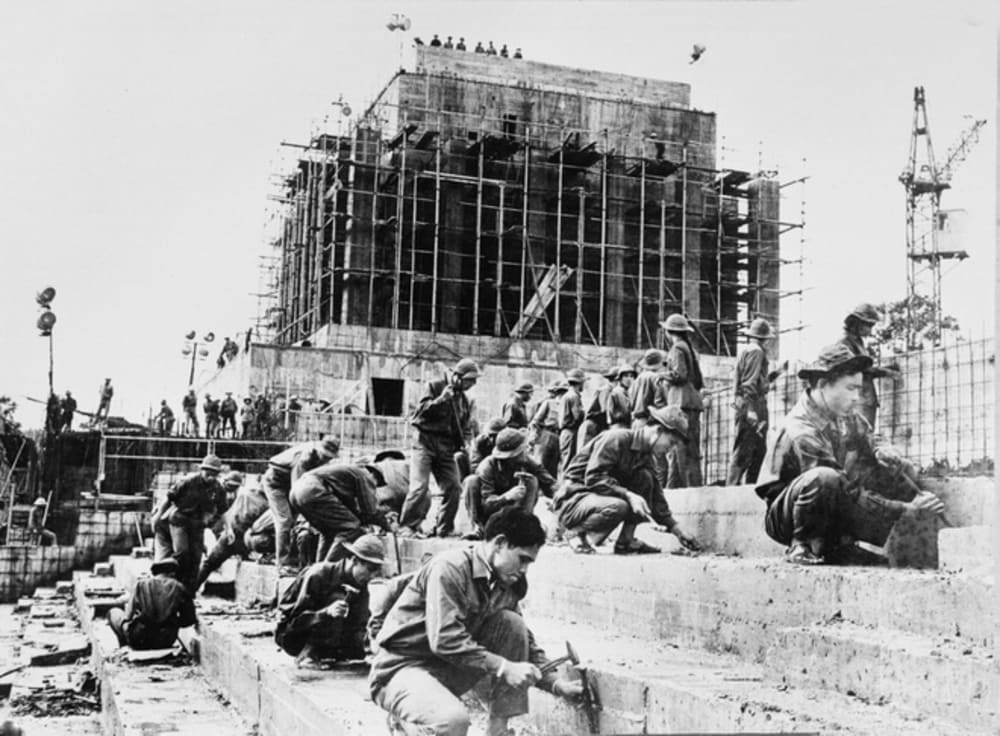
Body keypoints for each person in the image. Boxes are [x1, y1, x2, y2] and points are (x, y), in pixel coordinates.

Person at [369, 508, 583, 736]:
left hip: (445, 669)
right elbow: (444, 640)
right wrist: (503, 666)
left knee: (511, 624)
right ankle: (407, 722)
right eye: (522, 559)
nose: (524, 569)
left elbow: (523, 641)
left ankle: (497, 730)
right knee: (452, 723)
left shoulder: (505, 581)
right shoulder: (450, 569)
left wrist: (555, 684)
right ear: (500, 543)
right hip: (401, 668)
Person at [755, 343, 944, 566]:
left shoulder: (841, 413)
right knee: (825, 478)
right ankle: (803, 545)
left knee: (894, 468)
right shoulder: (801, 428)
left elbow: (870, 436)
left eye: (859, 389)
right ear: (824, 385)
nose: (857, 397)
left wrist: (883, 451)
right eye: (850, 388)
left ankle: (839, 547)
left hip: (829, 498)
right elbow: (845, 489)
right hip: (788, 516)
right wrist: (906, 510)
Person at [553, 405, 700, 555]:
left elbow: (657, 497)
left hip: (594, 500)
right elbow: (593, 477)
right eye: (671, 442)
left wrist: (677, 530)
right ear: (658, 431)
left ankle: (626, 541)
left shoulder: (645, 455)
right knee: (620, 506)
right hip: (574, 499)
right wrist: (628, 495)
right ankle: (576, 533)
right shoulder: (617, 438)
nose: (671, 448)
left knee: (645, 478)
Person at [276, 534, 386, 666]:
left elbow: (360, 624)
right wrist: (325, 612)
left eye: (377, 572)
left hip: (330, 635)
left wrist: (370, 648)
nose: (373, 576)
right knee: (338, 598)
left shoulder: (360, 584)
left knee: (359, 648)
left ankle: (329, 653)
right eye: (370, 569)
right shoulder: (319, 574)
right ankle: (308, 655)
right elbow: (294, 622)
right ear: (354, 560)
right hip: (293, 636)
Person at [400, 359, 479, 538]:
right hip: (424, 442)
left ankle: (444, 528)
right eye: (470, 380)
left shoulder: (464, 400)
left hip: (446, 446)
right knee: (419, 487)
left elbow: (464, 426)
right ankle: (408, 526)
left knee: (453, 487)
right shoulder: (435, 387)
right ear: (458, 378)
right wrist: (441, 399)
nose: (472, 384)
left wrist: (465, 443)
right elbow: (419, 413)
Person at [263, 436, 341, 575]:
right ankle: (282, 564)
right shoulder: (306, 457)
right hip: (275, 483)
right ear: (319, 450)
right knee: (284, 521)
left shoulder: (321, 461)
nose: (326, 459)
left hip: (288, 483)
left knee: (294, 522)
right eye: (325, 456)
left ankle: (292, 560)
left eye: (330, 457)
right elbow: (298, 490)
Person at [463, 429, 556, 539]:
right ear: (513, 455)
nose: (527, 451)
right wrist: (507, 496)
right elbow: (486, 505)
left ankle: (522, 526)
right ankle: (479, 529)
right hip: (489, 516)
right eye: (522, 449)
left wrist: (559, 499)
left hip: (512, 514)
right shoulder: (487, 467)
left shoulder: (525, 460)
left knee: (532, 480)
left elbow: (549, 482)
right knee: (471, 481)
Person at [290, 463, 389, 563]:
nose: (374, 488)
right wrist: (388, 526)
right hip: (314, 490)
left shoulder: (347, 475)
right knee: (351, 528)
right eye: (376, 484)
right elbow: (370, 511)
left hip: (297, 491)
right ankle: (328, 569)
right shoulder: (365, 475)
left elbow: (351, 512)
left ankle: (319, 569)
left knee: (328, 532)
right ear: (374, 475)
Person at [152, 454, 224, 590]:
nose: (211, 477)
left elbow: (222, 509)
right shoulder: (188, 482)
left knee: (196, 558)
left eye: (214, 474)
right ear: (202, 470)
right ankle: (174, 585)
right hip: (179, 520)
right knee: (182, 553)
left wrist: (227, 527)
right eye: (208, 473)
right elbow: (169, 498)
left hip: (197, 524)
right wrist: (157, 516)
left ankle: (188, 591)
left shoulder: (217, 488)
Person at [726, 318, 780, 485]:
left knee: (758, 450)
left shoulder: (748, 350)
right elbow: (749, 383)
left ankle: (748, 488)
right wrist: (751, 410)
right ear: (764, 337)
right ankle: (732, 488)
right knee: (745, 449)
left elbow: (755, 380)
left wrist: (775, 375)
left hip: (750, 403)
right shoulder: (757, 352)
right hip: (753, 404)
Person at [195, 471, 267, 589]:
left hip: (233, 534)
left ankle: (190, 591)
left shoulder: (245, 494)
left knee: (209, 564)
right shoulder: (264, 503)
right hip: (245, 537)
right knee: (211, 563)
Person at [108, 558, 196, 650]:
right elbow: (189, 620)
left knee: (113, 613)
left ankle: (125, 646)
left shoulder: (141, 584)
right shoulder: (179, 587)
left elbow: (127, 617)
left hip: (139, 638)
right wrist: (172, 621)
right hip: (166, 640)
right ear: (173, 573)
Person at [661, 314, 705, 487]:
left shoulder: (676, 349)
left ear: (669, 331)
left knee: (678, 449)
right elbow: (697, 379)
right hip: (692, 401)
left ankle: (677, 489)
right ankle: (694, 486)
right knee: (692, 450)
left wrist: (662, 376)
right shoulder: (688, 348)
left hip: (681, 403)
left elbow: (680, 374)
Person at [837, 302, 896, 429]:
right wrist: (886, 372)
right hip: (857, 400)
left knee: (866, 439)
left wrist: (887, 369)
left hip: (865, 398)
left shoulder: (857, 342)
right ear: (857, 324)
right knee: (858, 440)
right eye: (868, 325)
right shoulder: (845, 343)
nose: (870, 330)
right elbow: (858, 369)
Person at [528, 381, 566, 478]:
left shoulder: (566, 405)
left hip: (558, 436)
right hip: (546, 434)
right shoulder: (549, 403)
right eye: (562, 392)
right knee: (541, 464)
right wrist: (534, 436)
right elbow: (536, 421)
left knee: (553, 466)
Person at [576, 367, 617, 452]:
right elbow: (605, 410)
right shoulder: (606, 390)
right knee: (583, 456)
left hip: (597, 426)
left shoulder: (611, 390)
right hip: (591, 426)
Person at [558, 369, 586, 474]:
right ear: (580, 382)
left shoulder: (567, 395)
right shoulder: (574, 396)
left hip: (565, 433)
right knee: (569, 463)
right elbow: (578, 416)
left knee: (565, 462)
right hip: (571, 432)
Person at [605, 364, 636, 430]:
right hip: (618, 426)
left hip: (629, 426)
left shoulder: (631, 392)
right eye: (626, 376)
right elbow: (611, 414)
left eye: (631, 376)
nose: (629, 379)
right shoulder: (616, 392)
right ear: (620, 379)